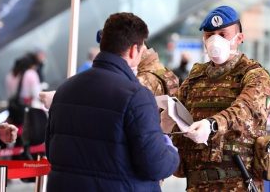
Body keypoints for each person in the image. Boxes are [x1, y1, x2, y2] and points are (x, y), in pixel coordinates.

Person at [45, 12, 179, 192]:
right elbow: (155, 165)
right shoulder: (137, 96)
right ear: (133, 50)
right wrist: (170, 151)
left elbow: (52, 152)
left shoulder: (64, 90)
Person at [166, 6, 270, 191]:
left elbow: (246, 110)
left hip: (238, 182)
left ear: (239, 38)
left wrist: (212, 125)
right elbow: (177, 109)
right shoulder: (196, 76)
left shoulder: (254, 75)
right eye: (210, 35)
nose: (215, 40)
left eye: (223, 34)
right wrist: (165, 119)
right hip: (196, 183)